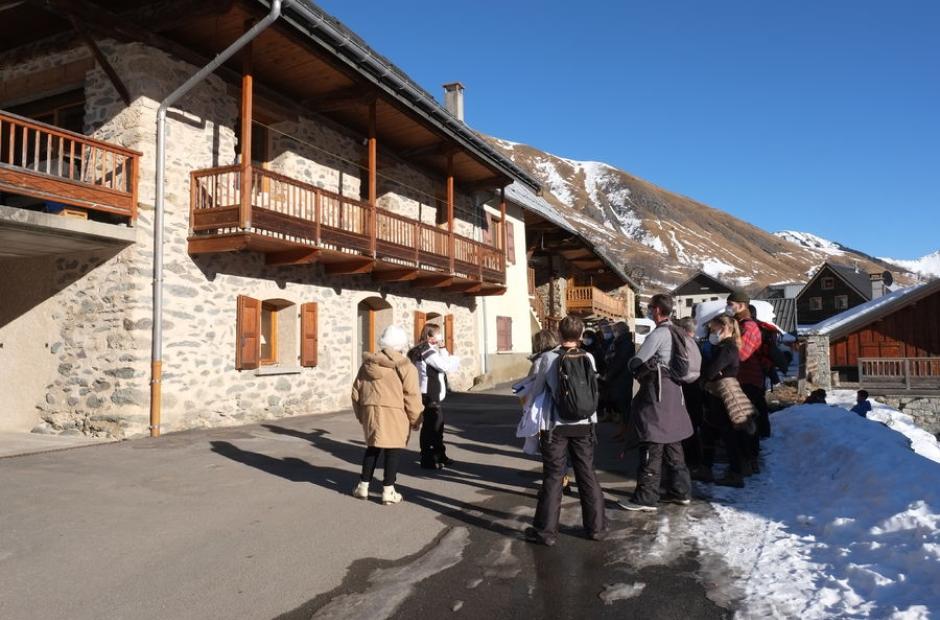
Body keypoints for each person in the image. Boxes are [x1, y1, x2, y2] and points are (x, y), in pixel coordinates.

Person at [526, 315, 607, 546]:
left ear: (559, 334)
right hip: (585, 424)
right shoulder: (588, 357)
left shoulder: (548, 358)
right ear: (581, 335)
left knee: (553, 477)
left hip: (556, 426)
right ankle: (597, 528)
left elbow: (537, 390)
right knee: (587, 474)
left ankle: (546, 532)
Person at [619, 294, 693, 511]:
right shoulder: (679, 331)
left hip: (658, 392)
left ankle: (646, 497)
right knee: (673, 443)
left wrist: (632, 366)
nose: (650, 311)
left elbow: (637, 360)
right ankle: (680, 491)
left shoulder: (660, 333)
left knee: (652, 442)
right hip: (675, 392)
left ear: (659, 310)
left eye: (651, 308)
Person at [351, 325, 423, 505]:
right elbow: (412, 396)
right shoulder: (406, 367)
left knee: (372, 448)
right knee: (393, 450)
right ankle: (388, 491)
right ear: (402, 344)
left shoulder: (367, 365)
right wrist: (416, 419)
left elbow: (356, 392)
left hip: (371, 412)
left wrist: (362, 415)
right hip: (394, 413)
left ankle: (363, 486)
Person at [698, 315, 756, 488]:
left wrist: (710, 372)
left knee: (728, 435)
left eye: (714, 329)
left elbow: (710, 371)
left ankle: (735, 473)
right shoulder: (725, 347)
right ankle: (706, 468)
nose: (711, 333)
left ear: (724, 328)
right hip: (715, 395)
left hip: (722, 396)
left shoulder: (727, 348)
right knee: (709, 432)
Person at [726, 290, 768, 472]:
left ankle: (748, 462)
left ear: (741, 305)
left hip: (749, 381)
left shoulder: (749, 327)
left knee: (746, 424)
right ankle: (747, 461)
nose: (729, 308)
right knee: (742, 423)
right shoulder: (741, 324)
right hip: (744, 380)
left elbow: (742, 355)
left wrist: (726, 344)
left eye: (731, 304)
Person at [408, 323, 460, 469]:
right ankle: (427, 459)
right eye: (437, 333)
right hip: (429, 394)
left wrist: (442, 349)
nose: (440, 336)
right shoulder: (426, 351)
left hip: (429, 393)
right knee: (431, 427)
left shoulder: (422, 349)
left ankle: (439, 455)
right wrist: (445, 352)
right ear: (429, 336)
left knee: (437, 426)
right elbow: (444, 366)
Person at [676, 317, 705, 472]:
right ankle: (694, 458)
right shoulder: (695, 342)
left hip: (688, 386)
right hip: (695, 385)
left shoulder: (685, 342)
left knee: (689, 424)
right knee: (693, 423)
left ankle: (691, 459)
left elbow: (683, 366)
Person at [606, 321, 636, 442]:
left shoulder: (625, 344)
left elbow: (619, 361)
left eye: (615, 330)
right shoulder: (620, 342)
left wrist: (610, 375)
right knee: (622, 407)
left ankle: (627, 432)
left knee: (625, 407)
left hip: (623, 378)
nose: (613, 333)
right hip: (620, 378)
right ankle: (623, 430)